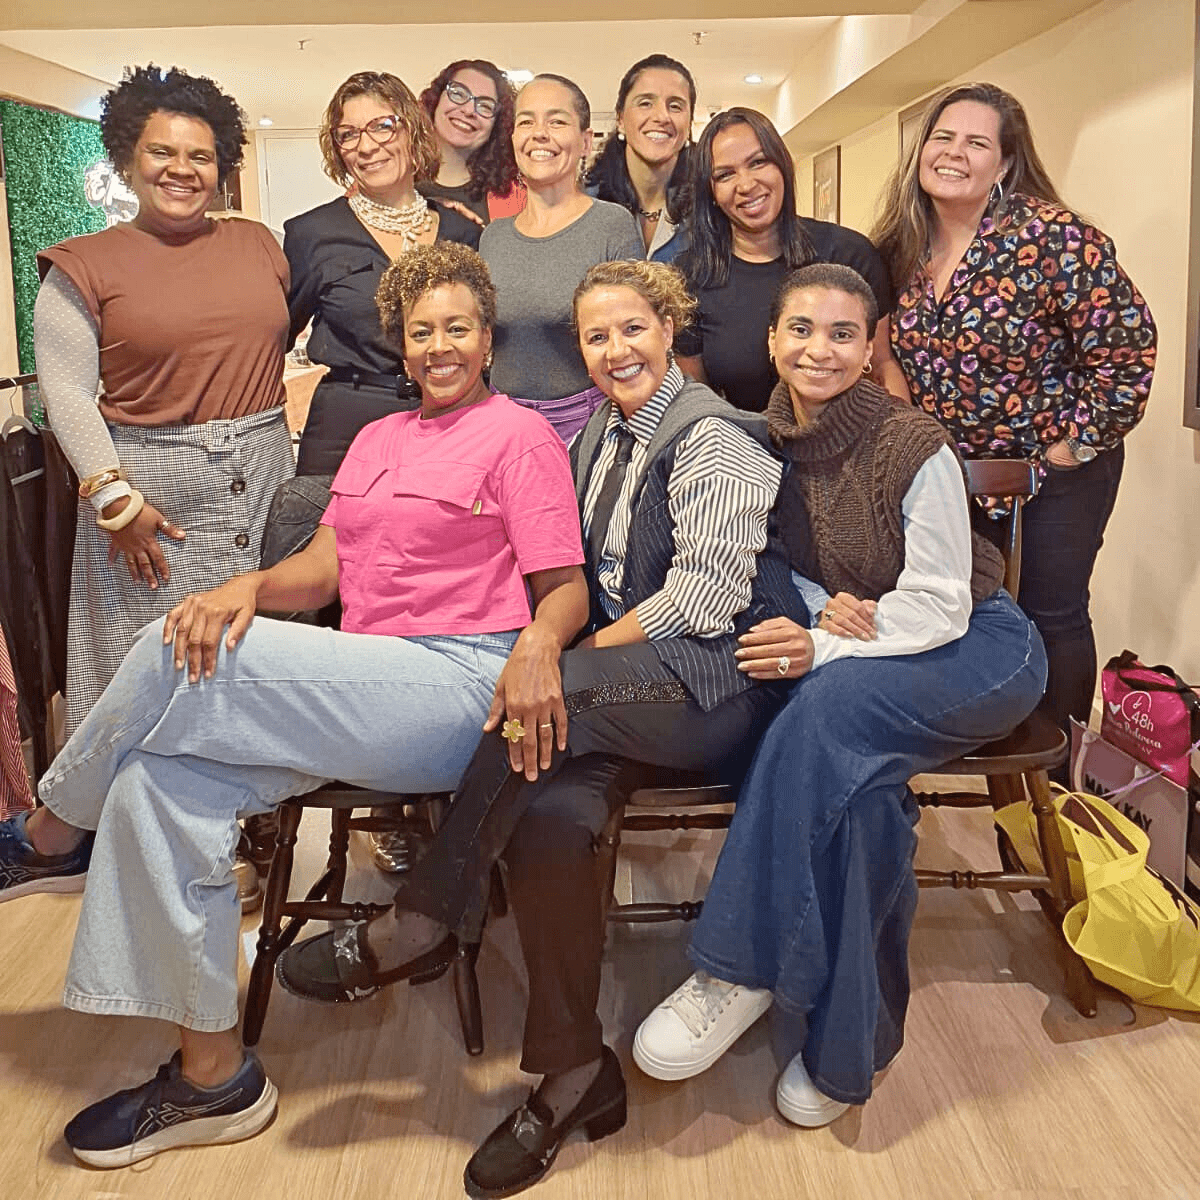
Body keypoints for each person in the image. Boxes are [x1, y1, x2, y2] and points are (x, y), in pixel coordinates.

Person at [0, 243, 587, 1168]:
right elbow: (325, 566)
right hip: (362, 678)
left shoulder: (521, 437)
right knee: (159, 781)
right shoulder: (380, 440)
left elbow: (564, 587)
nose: (439, 346)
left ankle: (47, 832)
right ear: (401, 344)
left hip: (461, 686)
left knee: (172, 649)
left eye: (458, 328)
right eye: (421, 329)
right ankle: (212, 1078)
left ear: (487, 339)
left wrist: (542, 646)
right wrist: (246, 586)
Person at [276, 259, 809, 1198]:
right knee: (555, 820)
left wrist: (563, 657)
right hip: (619, 700)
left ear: (669, 327)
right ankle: (574, 1076)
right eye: (596, 337)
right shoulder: (603, 431)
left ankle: (428, 914)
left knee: (532, 690)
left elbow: (706, 597)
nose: (615, 350)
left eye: (632, 329)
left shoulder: (715, 437)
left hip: (708, 687)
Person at [631, 263, 1048, 1127]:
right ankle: (847, 1051)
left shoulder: (912, 442)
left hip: (981, 645)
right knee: (860, 805)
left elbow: (940, 602)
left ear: (868, 349)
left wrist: (823, 640)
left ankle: (738, 965)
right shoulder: (761, 439)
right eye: (802, 330)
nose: (820, 349)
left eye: (843, 333)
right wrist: (828, 608)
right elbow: (773, 557)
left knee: (822, 709)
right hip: (874, 649)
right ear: (773, 340)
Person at [871, 82, 1156, 745]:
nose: (954, 153)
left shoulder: (1055, 238)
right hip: (950, 476)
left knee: (1051, 612)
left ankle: (1056, 778)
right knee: (970, 608)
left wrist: (1063, 454)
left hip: (1056, 472)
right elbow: (882, 348)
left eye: (976, 143)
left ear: (1003, 164)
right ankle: (989, 740)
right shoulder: (898, 245)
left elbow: (1128, 357)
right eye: (943, 137)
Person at [32, 64, 295, 743]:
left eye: (200, 156)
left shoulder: (259, 243)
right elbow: (65, 394)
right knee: (145, 672)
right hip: (149, 509)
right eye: (162, 152)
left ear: (222, 164)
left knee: (254, 665)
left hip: (264, 487)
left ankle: (248, 819)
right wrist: (113, 501)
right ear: (128, 158)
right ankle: (113, 828)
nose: (182, 170)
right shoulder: (81, 265)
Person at [284, 71, 482, 476]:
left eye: (382, 126)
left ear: (412, 131)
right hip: (347, 428)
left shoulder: (462, 232)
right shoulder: (311, 234)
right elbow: (275, 338)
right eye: (348, 134)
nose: (366, 146)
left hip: (449, 419)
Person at [674, 107, 908, 412]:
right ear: (712, 192)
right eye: (725, 175)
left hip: (851, 444)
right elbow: (696, 397)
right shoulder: (690, 275)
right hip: (744, 448)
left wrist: (897, 446)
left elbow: (881, 365)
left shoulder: (850, 253)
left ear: (783, 166)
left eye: (758, 162)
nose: (746, 185)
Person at [480, 74, 643, 442]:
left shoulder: (611, 225)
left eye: (556, 121)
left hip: (587, 426)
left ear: (585, 141)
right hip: (502, 425)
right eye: (526, 121)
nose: (539, 133)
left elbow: (633, 343)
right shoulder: (494, 237)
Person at [585, 53, 696, 261]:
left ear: (689, 123)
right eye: (645, 103)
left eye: (675, 106)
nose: (661, 117)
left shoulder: (710, 208)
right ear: (620, 119)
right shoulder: (584, 205)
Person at [418, 59, 525, 224]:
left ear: (497, 125)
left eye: (485, 106)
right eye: (458, 94)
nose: (468, 111)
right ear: (436, 100)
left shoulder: (516, 199)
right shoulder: (391, 178)